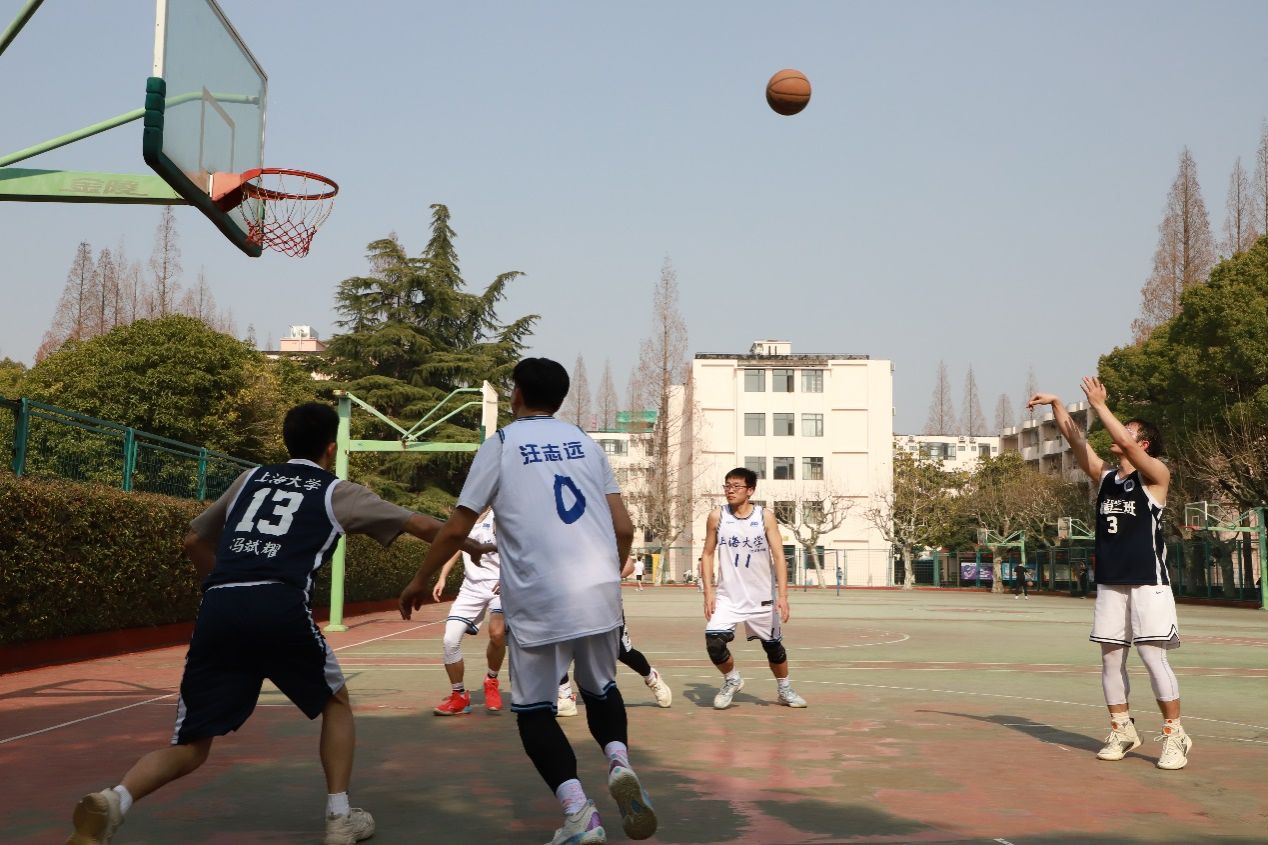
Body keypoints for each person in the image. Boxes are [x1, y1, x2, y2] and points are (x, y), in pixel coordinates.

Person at [63, 402, 495, 845]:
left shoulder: (249, 478)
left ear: (287, 441)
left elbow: (194, 540)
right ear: (331, 448)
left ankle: (115, 800)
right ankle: (339, 817)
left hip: (220, 607)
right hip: (278, 603)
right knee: (335, 703)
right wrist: (473, 547)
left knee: (192, 744)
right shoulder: (338, 492)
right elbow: (424, 525)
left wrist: (223, 588)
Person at [399, 358, 657, 844]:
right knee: (601, 689)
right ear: (560, 398)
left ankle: (579, 814)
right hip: (599, 593)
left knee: (535, 711)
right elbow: (623, 527)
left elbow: (456, 527)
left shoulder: (501, 444)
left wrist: (419, 578)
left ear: (516, 394)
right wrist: (610, 573)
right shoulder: (586, 443)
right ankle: (619, 762)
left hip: (541, 597)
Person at [1030, 377, 1191, 770]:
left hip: (1148, 581)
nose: (1120, 434)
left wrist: (1100, 405)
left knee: (1152, 657)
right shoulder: (1106, 478)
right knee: (1110, 660)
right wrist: (1056, 404)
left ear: (1144, 444)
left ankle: (1175, 735)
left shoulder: (1155, 476)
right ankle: (1122, 729)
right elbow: (1075, 440)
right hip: (1111, 582)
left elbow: (1128, 445)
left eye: (1129, 430)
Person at [700, 467, 807, 710]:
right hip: (728, 597)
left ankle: (784, 689)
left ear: (750, 490)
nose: (730, 490)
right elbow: (707, 554)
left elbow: (779, 556)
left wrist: (783, 596)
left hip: (761, 597)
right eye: (727, 485)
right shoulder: (717, 516)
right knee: (714, 642)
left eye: (736, 486)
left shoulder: (764, 516)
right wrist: (708, 593)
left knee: (773, 647)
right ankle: (732, 680)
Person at [557, 556, 672, 716]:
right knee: (556, 647)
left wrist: (595, 576)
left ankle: (652, 678)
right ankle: (565, 696)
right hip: (568, 605)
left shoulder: (600, 542)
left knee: (622, 651)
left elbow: (629, 566)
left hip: (605, 605)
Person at [429, 509, 506, 715]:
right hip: (471, 588)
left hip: (499, 586)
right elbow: (455, 547)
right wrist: (442, 577)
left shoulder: (499, 514)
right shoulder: (464, 517)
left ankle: (491, 680)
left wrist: (507, 575)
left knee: (497, 634)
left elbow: (516, 548)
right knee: (450, 641)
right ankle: (459, 696)